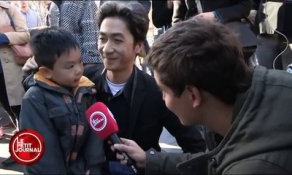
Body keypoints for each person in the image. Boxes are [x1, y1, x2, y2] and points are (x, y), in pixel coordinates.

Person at [112, 19, 292, 174]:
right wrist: (150, 160)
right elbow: (217, 160)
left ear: (193, 95)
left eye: (164, 91)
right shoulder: (274, 85)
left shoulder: (254, 167)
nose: (162, 98)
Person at [85, 2, 206, 174]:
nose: (107, 48)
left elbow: (196, 148)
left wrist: (150, 159)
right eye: (102, 38)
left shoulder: (157, 91)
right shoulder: (82, 82)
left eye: (117, 40)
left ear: (138, 46)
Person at [19, 28, 105, 174]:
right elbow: (42, 155)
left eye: (80, 62)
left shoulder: (86, 90)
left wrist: (94, 168)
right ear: (46, 72)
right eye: (70, 66)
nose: (79, 70)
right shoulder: (35, 99)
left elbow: (94, 137)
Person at [0, 0, 29, 126]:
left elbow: (25, 35)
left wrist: (2, 38)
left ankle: (24, 135)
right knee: (4, 106)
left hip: (10, 69)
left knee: (19, 107)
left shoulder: (9, 9)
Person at [59, 0, 103, 72]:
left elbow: (92, 54)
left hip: (78, 74)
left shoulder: (85, 3)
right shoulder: (50, 6)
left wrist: (81, 75)